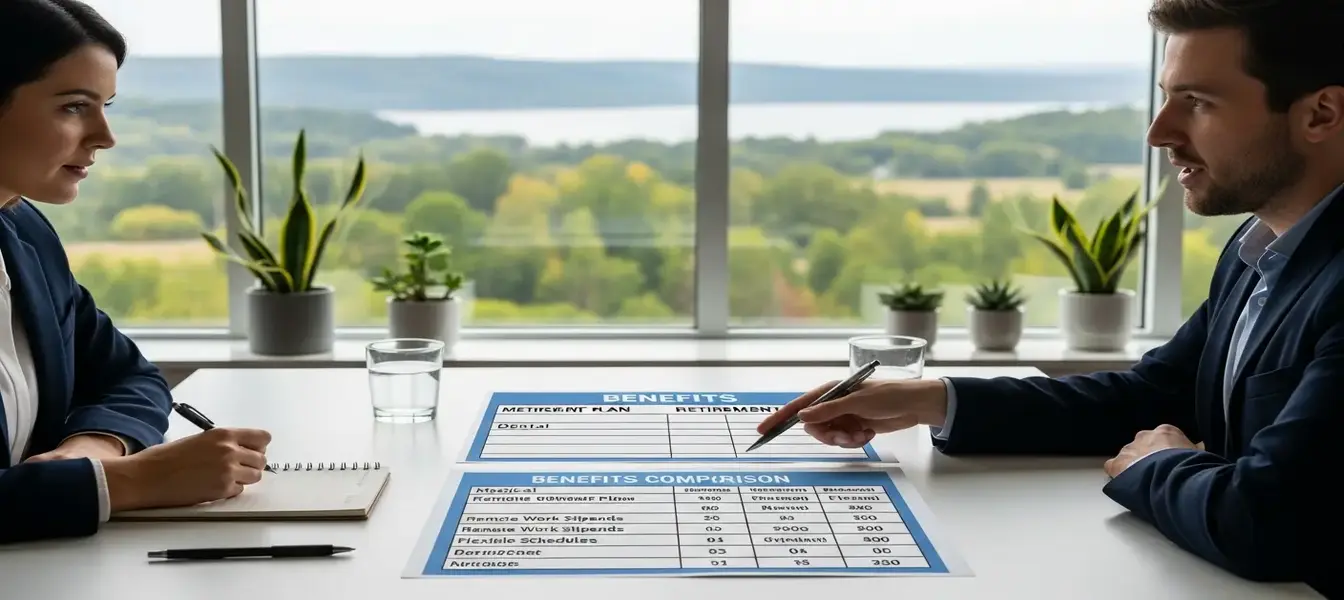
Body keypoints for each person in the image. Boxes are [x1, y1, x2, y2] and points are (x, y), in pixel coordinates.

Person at [761, 0, 1343, 594]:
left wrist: (1156, 467)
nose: (1158, 132)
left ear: (1321, 113)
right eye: (1167, 97)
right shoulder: (1259, 247)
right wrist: (932, 400)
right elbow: (1153, 397)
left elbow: (1269, 520)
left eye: (1197, 103)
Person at [0, 0, 272, 544]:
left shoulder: (23, 232)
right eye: (75, 107)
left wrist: (95, 448)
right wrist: (122, 483)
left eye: (106, 106)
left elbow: (131, 377)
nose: (105, 134)